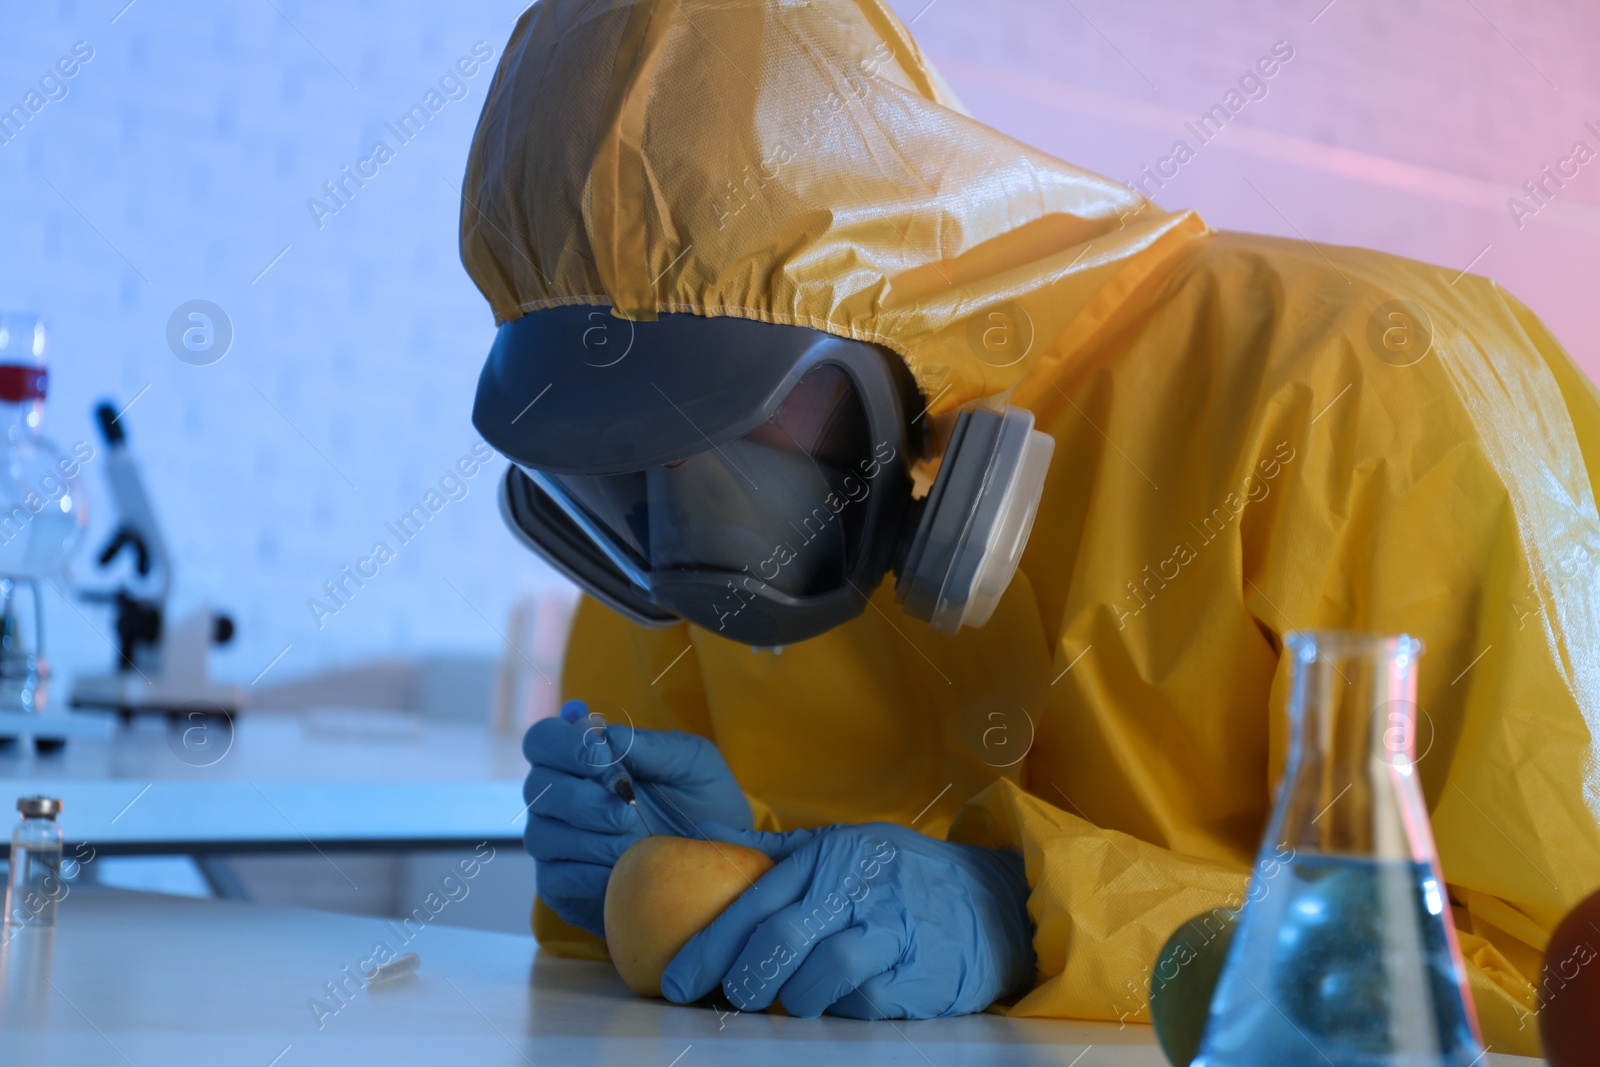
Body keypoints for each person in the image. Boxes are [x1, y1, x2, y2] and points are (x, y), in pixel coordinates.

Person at [458, 0, 1600, 1053]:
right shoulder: (639, 532)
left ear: (867, 314)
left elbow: (1549, 973)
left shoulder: (1356, 390)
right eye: (608, 444)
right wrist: (698, 875)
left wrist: (1046, 918)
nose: (671, 504)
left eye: (714, 413)